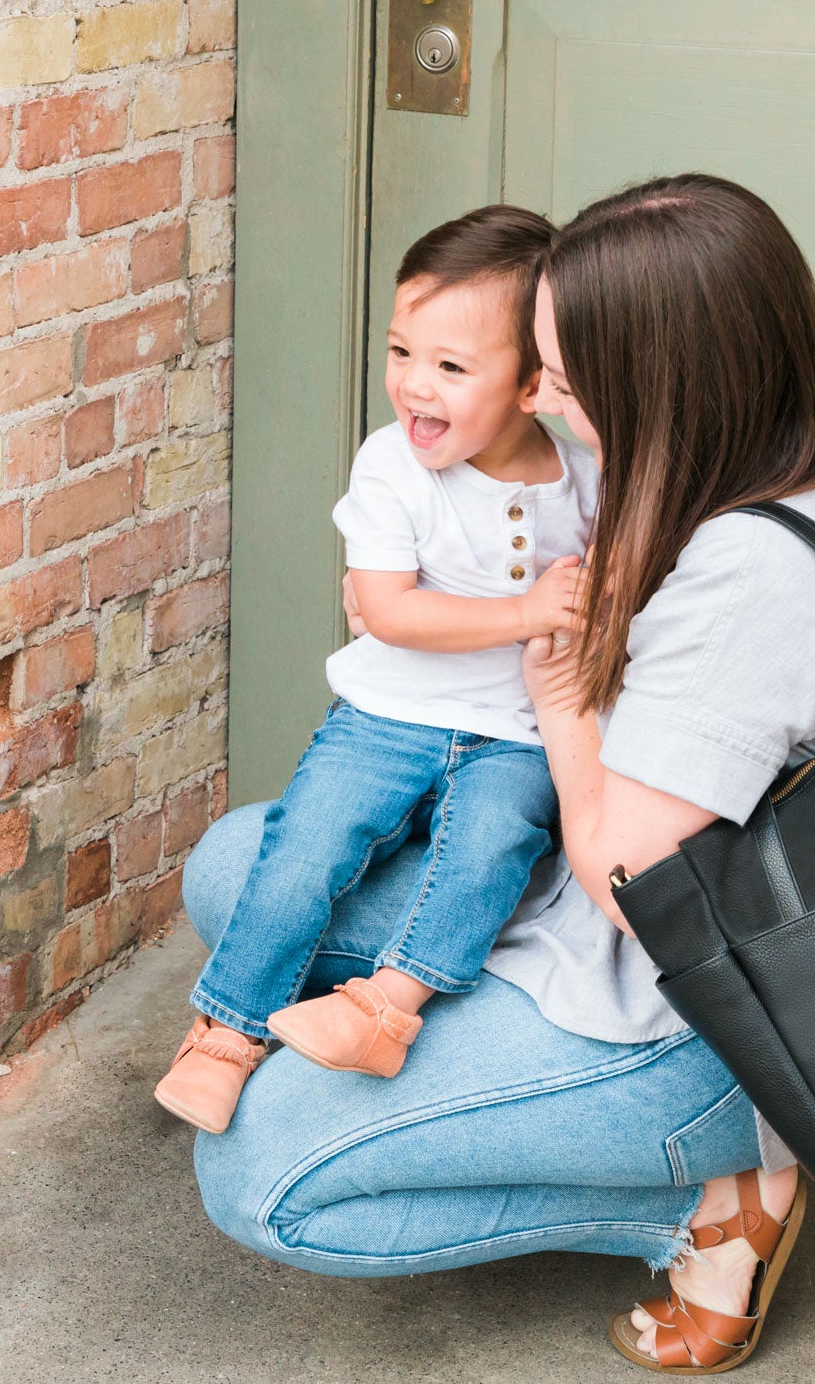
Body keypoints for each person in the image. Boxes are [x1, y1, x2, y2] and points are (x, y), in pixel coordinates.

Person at [186, 174, 815, 1373]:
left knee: (258, 1175)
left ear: (659, 382)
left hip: (716, 1019)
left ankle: (713, 1203)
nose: (533, 397)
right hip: (643, 908)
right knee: (242, 869)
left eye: (557, 375)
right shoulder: (789, 454)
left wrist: (557, 698)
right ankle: (446, 1079)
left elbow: (631, 885)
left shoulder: (752, 585)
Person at [155, 206, 599, 1134]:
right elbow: (388, 609)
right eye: (401, 353)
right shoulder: (393, 467)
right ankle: (225, 1034)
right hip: (388, 718)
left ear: (531, 385)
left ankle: (383, 1011)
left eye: (450, 366)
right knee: (304, 850)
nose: (413, 388)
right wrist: (523, 613)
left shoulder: (585, 479)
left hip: (519, 735)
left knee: (492, 855)